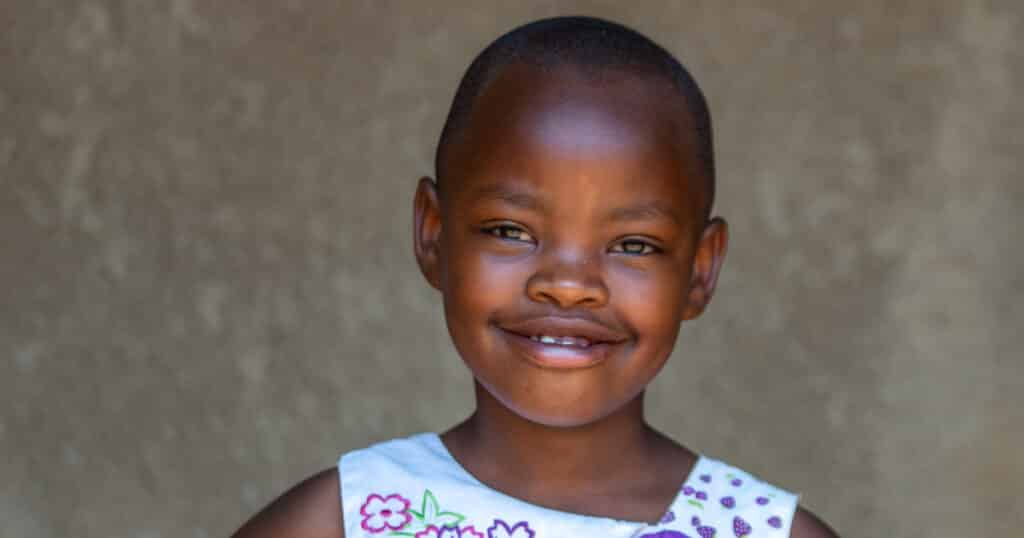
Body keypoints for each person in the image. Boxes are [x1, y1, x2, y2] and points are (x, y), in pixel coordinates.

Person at [233, 16, 838, 538]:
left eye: (633, 244)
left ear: (700, 271)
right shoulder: (342, 522)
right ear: (433, 234)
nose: (568, 284)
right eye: (510, 231)